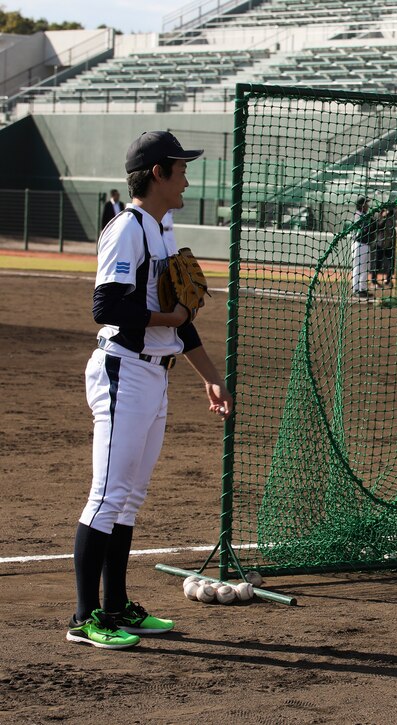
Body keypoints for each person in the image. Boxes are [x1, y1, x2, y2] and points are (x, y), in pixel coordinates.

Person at [68, 131, 233, 650]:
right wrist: (171, 314)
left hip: (154, 374)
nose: (188, 176)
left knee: (129, 499)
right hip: (123, 371)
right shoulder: (129, 229)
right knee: (107, 497)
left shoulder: (163, 230)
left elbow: (180, 325)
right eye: (181, 168)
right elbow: (107, 307)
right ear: (158, 173)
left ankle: (116, 606)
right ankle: (85, 618)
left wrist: (209, 374)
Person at [350, 196, 374, 298]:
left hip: (364, 244)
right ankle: (356, 289)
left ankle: (362, 289)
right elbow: (365, 229)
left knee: (364, 268)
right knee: (358, 267)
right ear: (361, 205)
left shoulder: (364, 215)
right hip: (359, 244)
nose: (368, 205)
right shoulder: (358, 215)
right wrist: (372, 221)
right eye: (366, 203)